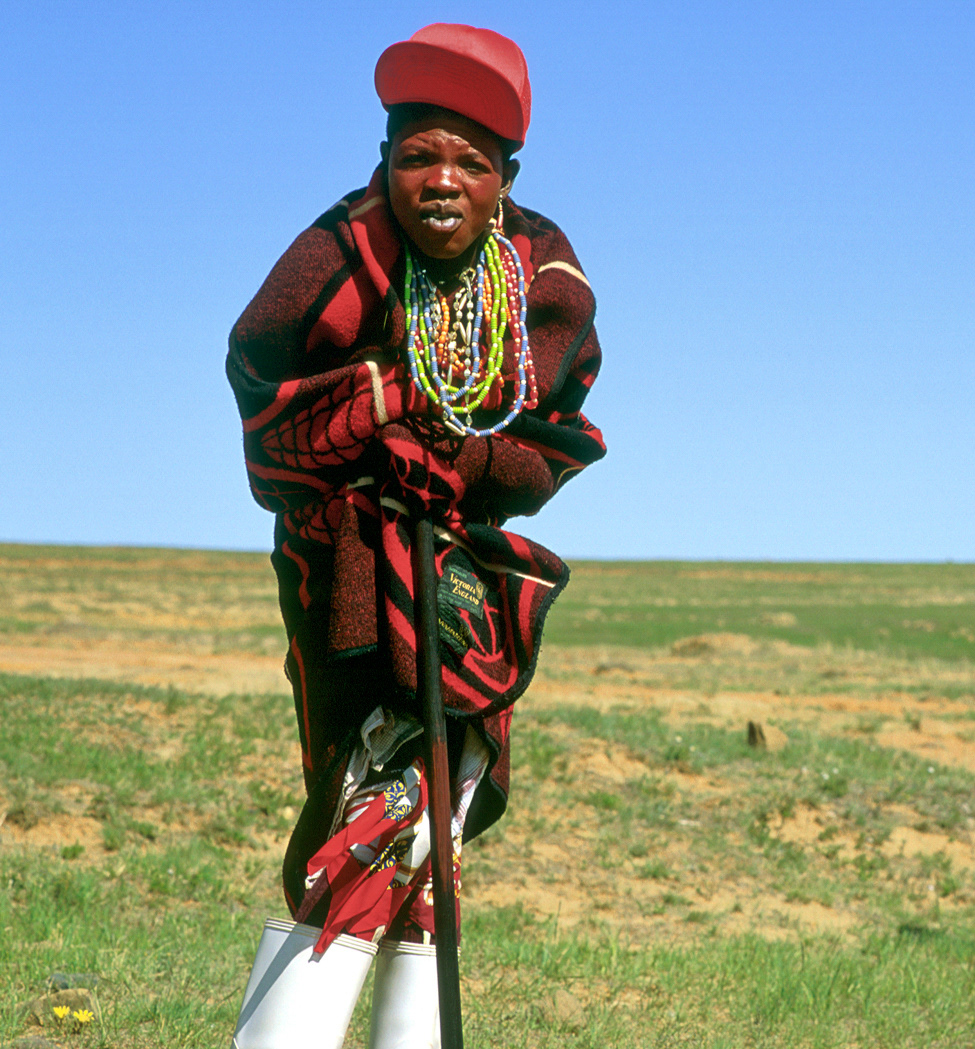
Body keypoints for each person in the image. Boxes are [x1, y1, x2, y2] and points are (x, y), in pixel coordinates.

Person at [225, 24, 606, 1048]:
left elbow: (556, 433)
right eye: (415, 157)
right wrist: (380, 404)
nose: (440, 182)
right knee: (370, 803)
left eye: (469, 164)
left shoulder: (540, 273)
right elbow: (262, 399)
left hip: (465, 579)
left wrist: (463, 462)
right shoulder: (333, 253)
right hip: (343, 565)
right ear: (382, 162)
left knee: (428, 823)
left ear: (506, 179)